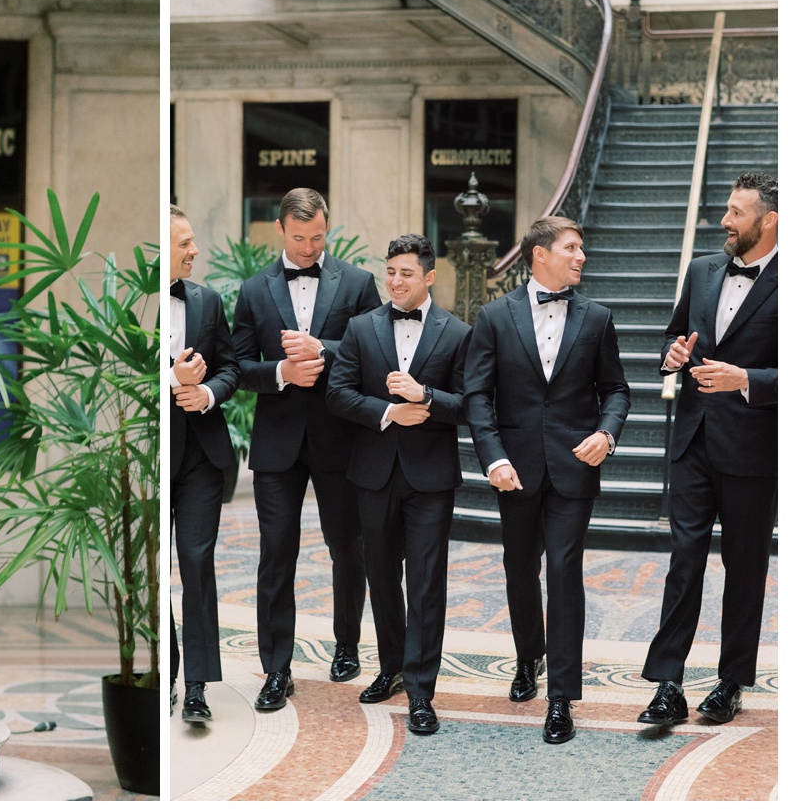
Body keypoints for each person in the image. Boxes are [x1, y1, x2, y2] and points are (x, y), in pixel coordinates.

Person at [463, 215, 629, 744]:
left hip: (574, 469)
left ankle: (561, 697)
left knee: (563, 570)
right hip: (514, 470)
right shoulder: (493, 316)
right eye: (572, 248)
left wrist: (607, 433)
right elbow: (477, 396)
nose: (581, 257)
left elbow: (617, 390)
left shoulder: (598, 318)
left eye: (582, 248)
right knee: (519, 569)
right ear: (539, 254)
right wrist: (492, 458)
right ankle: (526, 657)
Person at [230, 187, 382, 710]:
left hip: (341, 437)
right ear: (280, 230)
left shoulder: (358, 283)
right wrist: (282, 372)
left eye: (318, 237)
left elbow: (374, 353)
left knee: (348, 547)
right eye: (299, 239)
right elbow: (239, 367)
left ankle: (347, 645)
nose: (309, 248)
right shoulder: (253, 290)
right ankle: (277, 669)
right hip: (277, 445)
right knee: (277, 554)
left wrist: (324, 350)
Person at [639, 173, 777, 728]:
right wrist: (672, 356)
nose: (725, 220)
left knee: (744, 566)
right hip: (693, 441)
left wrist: (747, 378)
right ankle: (667, 683)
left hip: (753, 448)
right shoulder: (701, 271)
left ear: (768, 221)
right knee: (684, 561)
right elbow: (674, 339)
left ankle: (730, 682)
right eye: (726, 208)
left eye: (737, 212)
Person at [325, 235, 471, 735]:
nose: (395, 281)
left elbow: (472, 405)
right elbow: (338, 395)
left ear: (429, 277)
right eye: (390, 271)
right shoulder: (360, 328)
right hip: (373, 473)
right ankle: (389, 667)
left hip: (431, 478)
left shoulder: (457, 332)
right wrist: (389, 412)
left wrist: (425, 396)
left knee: (427, 584)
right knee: (382, 578)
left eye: (406, 273)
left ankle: (421, 690)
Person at [167, 206, 239, 723]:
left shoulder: (208, 301)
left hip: (201, 453)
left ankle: (197, 687)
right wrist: (172, 380)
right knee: (151, 571)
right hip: (148, 453)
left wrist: (207, 393)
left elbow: (231, 367)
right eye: (185, 242)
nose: (195, 250)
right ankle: (162, 668)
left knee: (196, 562)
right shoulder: (132, 305)